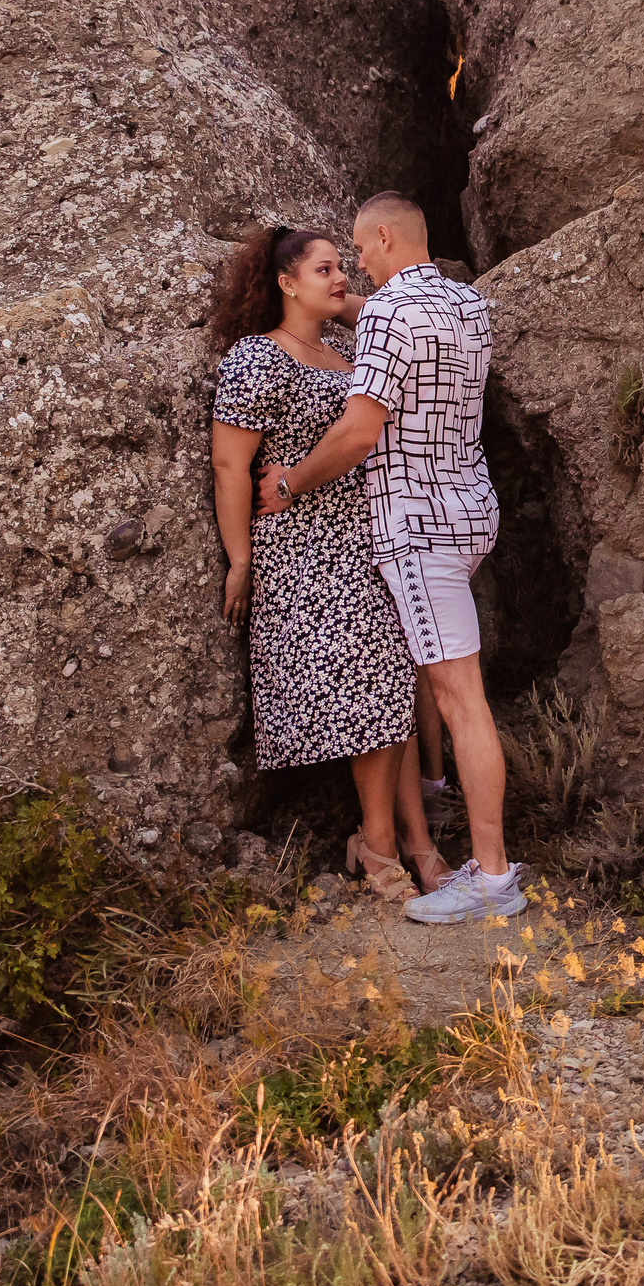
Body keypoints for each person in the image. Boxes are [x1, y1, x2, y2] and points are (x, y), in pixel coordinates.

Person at [255, 191, 519, 923]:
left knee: (459, 697)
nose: (356, 267)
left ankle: (493, 878)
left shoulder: (393, 315)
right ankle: (427, 803)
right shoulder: (466, 306)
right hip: (471, 513)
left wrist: (292, 480)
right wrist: (341, 311)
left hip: (418, 528)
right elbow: (378, 318)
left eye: (359, 252)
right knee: (432, 681)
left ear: (381, 236)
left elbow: (360, 433)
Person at [208, 224, 446, 900]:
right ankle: (380, 848)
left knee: (393, 685)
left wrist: (340, 301)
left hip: (368, 539)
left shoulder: (349, 352)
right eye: (323, 269)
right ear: (285, 281)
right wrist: (239, 559)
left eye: (344, 266)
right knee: (375, 682)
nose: (341, 277)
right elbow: (230, 464)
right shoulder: (258, 357)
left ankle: (385, 845)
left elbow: (397, 317)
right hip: (305, 551)